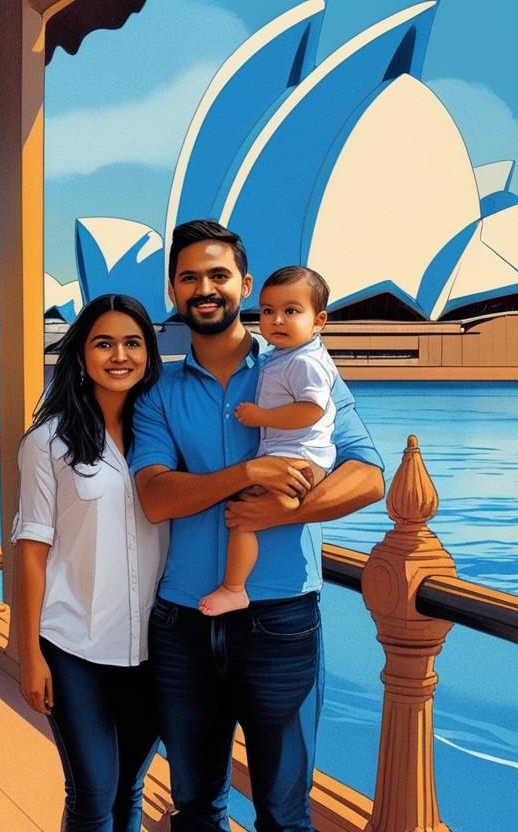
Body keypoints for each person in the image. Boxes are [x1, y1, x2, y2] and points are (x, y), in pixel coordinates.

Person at [129, 220, 386, 831]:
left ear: (243, 284)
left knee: (284, 814)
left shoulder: (302, 368)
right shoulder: (158, 392)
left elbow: (369, 475)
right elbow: (156, 497)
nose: (205, 288)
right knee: (194, 808)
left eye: (218, 275)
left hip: (281, 619)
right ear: (173, 292)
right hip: (183, 622)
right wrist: (250, 469)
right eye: (189, 277)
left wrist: (283, 507)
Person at [12, 295, 167, 831]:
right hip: (73, 642)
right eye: (104, 343)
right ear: (81, 356)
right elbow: (32, 550)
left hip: (154, 647)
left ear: (149, 353)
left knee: (130, 788)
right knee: (93, 794)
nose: (119, 355)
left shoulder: (163, 437)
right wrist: (28, 652)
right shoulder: (46, 444)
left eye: (132, 343)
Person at [199, 266, 337, 616]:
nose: (277, 320)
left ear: (319, 319)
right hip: (292, 455)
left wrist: (261, 417)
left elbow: (310, 410)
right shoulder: (281, 357)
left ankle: (234, 587)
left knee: (244, 517)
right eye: (267, 311)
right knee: (245, 512)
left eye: (291, 311)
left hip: (299, 458)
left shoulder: (306, 361)